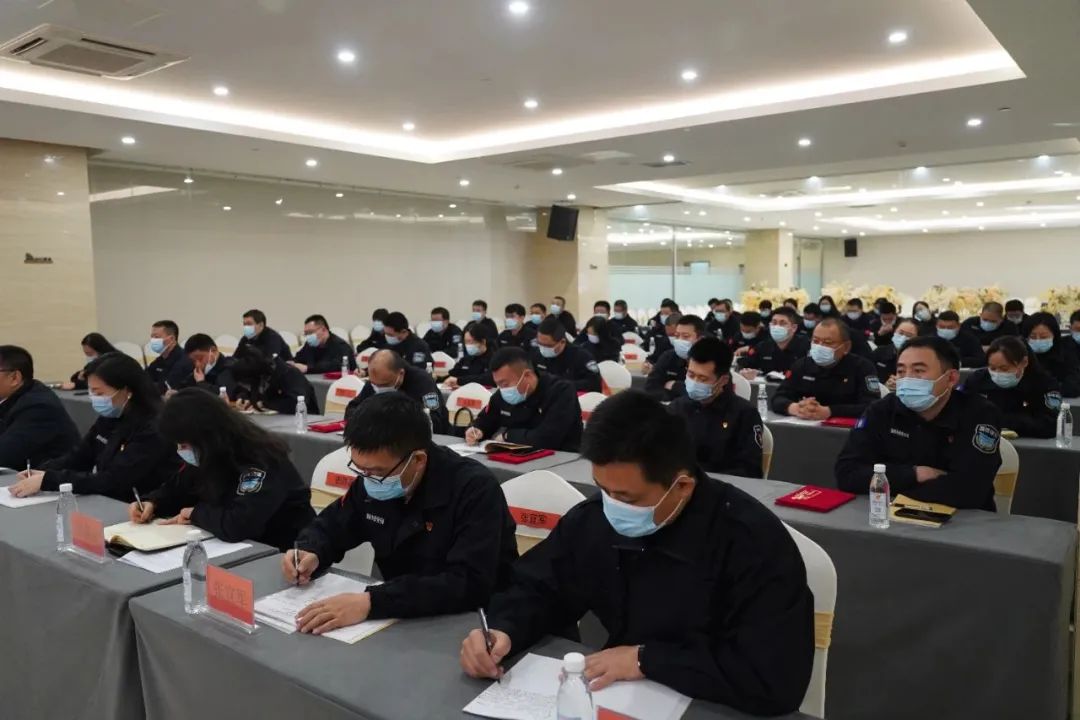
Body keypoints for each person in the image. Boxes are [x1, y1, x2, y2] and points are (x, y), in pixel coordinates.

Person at [460, 390, 814, 714]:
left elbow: (773, 678)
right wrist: (504, 630)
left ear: (682, 486)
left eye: (626, 497)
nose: (611, 506)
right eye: (603, 489)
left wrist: (647, 660)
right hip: (619, 698)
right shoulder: (593, 520)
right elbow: (540, 587)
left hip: (710, 704)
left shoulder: (752, 542)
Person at [284, 392, 518, 630]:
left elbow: (468, 584)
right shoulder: (372, 480)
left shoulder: (474, 489)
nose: (368, 479)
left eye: (377, 471)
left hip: (473, 624)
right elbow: (334, 525)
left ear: (418, 460)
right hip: (399, 617)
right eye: (361, 469)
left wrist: (373, 602)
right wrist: (311, 549)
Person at [130, 388, 315, 550]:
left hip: (285, 553)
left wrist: (195, 513)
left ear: (206, 436)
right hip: (235, 547)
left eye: (184, 445)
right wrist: (153, 503)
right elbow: (178, 488)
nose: (181, 450)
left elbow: (238, 524)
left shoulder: (261, 460)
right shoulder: (211, 454)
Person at [835, 336, 1002, 510]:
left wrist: (894, 487)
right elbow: (847, 474)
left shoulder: (980, 413)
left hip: (964, 519)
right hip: (887, 514)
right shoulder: (881, 411)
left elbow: (971, 489)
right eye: (901, 371)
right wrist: (915, 474)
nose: (907, 379)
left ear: (951, 378)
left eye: (919, 371)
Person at [8, 353, 177, 501]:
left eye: (99, 393)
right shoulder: (111, 416)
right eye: (91, 391)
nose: (94, 398)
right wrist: (43, 471)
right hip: (110, 499)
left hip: (140, 506)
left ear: (127, 391)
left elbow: (114, 479)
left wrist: (49, 480)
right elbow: (80, 457)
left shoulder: (154, 427)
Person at [669, 338, 764, 478]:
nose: (694, 382)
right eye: (691, 375)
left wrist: (702, 480)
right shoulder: (676, 408)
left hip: (722, 486)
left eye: (703, 379)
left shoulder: (744, 414)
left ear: (723, 380)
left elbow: (750, 471)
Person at [467, 348, 582, 451]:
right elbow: (486, 419)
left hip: (562, 458)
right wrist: (477, 430)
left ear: (527, 375)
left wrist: (508, 435)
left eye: (505, 384)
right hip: (516, 456)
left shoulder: (561, 391)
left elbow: (548, 438)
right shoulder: (502, 394)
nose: (502, 389)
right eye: (498, 384)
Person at [772, 318, 879, 419]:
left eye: (828, 343)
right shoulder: (801, 365)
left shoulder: (863, 367)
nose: (820, 346)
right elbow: (778, 398)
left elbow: (872, 406)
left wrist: (829, 411)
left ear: (846, 347)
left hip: (845, 429)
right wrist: (796, 408)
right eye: (815, 341)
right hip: (804, 425)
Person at [963, 336, 1061, 438]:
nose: (997, 373)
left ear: (1024, 362)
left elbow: (1051, 425)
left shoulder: (1044, 383)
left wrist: (1006, 421)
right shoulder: (977, 380)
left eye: (1004, 368)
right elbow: (963, 414)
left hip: (1029, 441)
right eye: (992, 368)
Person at [0, 345, 79, 468]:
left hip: (53, 476)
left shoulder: (38, 407)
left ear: (15, 378)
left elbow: (5, 455)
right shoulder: (18, 395)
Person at [345, 349, 448, 433]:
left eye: (385, 384)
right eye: (374, 384)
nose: (378, 388)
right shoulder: (376, 380)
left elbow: (435, 419)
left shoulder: (423, 381)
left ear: (401, 374)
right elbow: (352, 408)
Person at [230, 346, 320, 414]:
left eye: (247, 384)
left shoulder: (288, 373)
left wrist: (264, 403)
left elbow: (295, 404)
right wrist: (244, 398)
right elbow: (250, 391)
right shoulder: (259, 374)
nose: (248, 387)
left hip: (303, 419)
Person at [531, 316, 601, 393]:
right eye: (540, 344)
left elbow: (594, 383)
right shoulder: (537, 355)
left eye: (548, 346)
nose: (543, 348)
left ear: (562, 342)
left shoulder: (581, 356)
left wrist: (563, 385)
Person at [644, 314, 705, 402]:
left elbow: (702, 394)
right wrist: (670, 398)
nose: (680, 340)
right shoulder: (668, 357)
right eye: (677, 336)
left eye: (686, 336)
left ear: (700, 339)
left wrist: (676, 386)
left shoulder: (711, 361)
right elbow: (650, 388)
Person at [738, 307, 810, 377]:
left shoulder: (805, 346)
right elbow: (746, 364)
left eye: (782, 323)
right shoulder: (763, 346)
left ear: (794, 327)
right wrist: (748, 372)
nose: (777, 327)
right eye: (774, 322)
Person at [1023, 312, 1080, 396]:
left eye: (1043, 337)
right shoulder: (1021, 353)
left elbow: (1073, 386)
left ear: (1054, 335)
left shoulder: (1066, 351)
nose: (1038, 340)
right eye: (1033, 337)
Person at [291, 314, 356, 374]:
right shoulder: (309, 345)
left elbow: (335, 366)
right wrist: (292, 363)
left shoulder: (341, 346)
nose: (308, 336)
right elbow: (298, 359)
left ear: (324, 329)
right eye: (306, 334)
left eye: (310, 332)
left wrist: (307, 369)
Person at [871, 318, 920, 389]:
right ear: (894, 331)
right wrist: (883, 387)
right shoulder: (879, 352)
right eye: (901, 333)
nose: (903, 338)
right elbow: (868, 377)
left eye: (909, 336)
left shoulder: (921, 358)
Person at [146, 320, 193, 393]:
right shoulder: (160, 360)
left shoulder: (184, 360)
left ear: (172, 339)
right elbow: (143, 378)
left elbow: (166, 387)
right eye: (152, 337)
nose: (153, 340)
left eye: (156, 337)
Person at [444, 325, 495, 390]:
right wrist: (438, 378)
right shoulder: (466, 358)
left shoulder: (494, 358)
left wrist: (459, 380)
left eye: (470, 341)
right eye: (466, 342)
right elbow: (453, 373)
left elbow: (487, 378)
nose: (468, 345)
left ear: (483, 341)